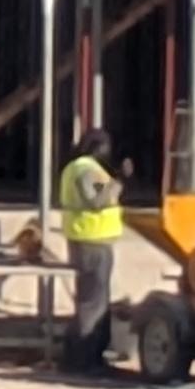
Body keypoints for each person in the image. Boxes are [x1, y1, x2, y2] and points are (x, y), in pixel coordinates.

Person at [55, 130, 145, 370]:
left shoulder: (77, 167)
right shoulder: (85, 168)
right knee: (93, 304)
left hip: (88, 239)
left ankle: (83, 357)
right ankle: (84, 360)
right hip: (91, 241)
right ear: (97, 147)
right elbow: (96, 200)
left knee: (93, 300)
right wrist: (119, 182)